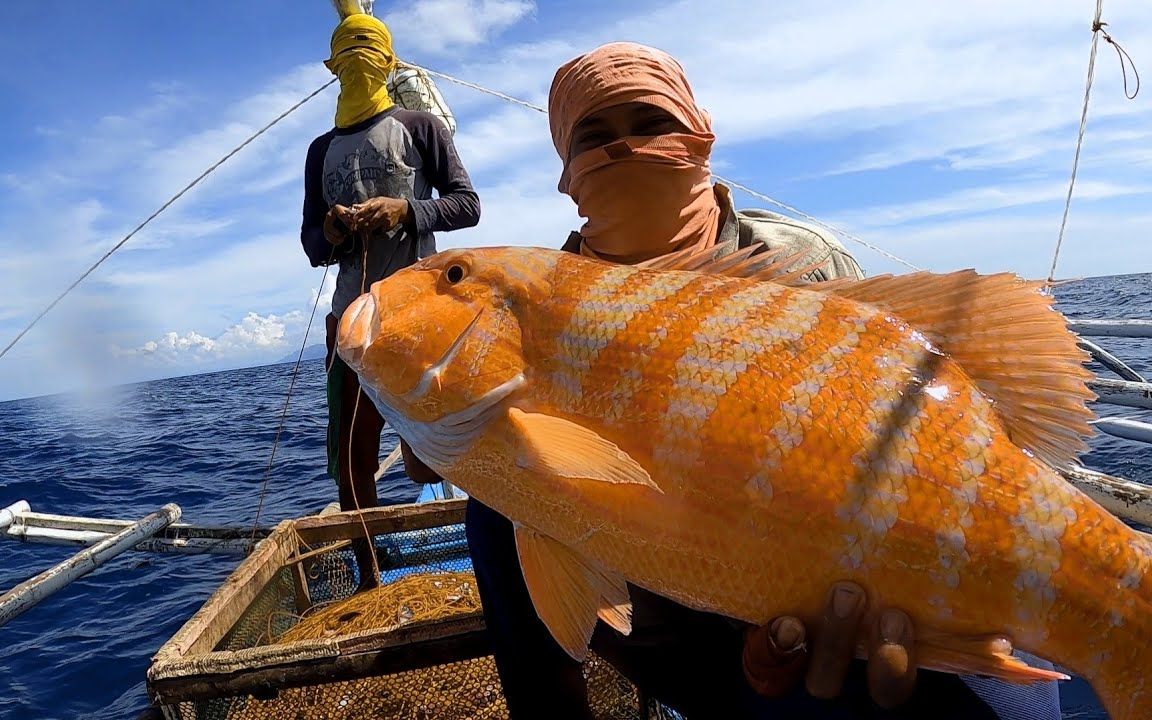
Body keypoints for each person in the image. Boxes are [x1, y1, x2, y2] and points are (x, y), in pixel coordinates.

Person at [457, 42, 1065, 719]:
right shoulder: (533, 303)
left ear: (699, 134)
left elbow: (904, 416)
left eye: (649, 122)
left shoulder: (807, 266)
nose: (624, 149)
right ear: (567, 173)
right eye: (594, 137)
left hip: (834, 581)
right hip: (676, 607)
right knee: (494, 510)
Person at [298, 7, 480, 590]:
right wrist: (331, 231)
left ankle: (487, 551)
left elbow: (467, 204)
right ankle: (371, 575)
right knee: (352, 457)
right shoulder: (318, 149)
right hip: (350, 327)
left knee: (438, 451)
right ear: (332, 68)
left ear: (390, 63)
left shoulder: (422, 125)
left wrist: (407, 210)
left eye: (367, 55)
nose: (357, 67)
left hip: (421, 320)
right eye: (347, 57)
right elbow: (310, 245)